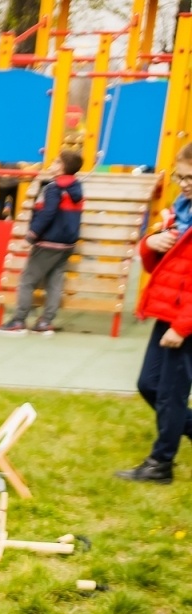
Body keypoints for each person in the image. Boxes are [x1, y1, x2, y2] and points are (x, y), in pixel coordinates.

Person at [115, 144, 192, 484]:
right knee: (149, 384)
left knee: (171, 393)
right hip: (168, 310)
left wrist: (182, 326)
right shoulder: (180, 211)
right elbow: (156, 268)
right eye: (179, 176)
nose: (183, 184)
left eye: (190, 178)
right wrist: (150, 244)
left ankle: (160, 464)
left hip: (184, 321)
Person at [0, 149, 84, 336]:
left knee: (27, 280)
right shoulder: (76, 188)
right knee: (54, 281)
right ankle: (46, 321)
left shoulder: (53, 188)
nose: (52, 164)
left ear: (61, 167)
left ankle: (19, 320)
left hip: (49, 242)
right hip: (67, 243)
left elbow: (47, 214)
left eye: (56, 162)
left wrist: (31, 236)